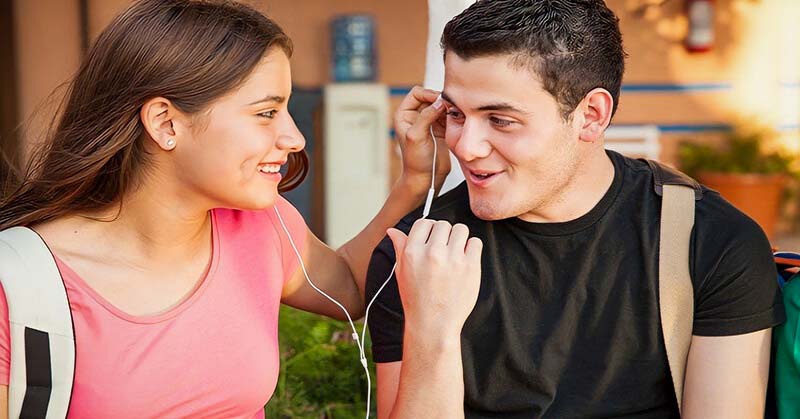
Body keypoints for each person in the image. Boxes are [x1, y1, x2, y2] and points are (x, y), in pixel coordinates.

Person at [0, 0, 479, 417]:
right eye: (267, 112)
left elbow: (351, 289)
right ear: (166, 122)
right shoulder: (19, 282)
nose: (294, 138)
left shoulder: (261, 227)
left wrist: (416, 179)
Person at [366, 0, 785, 418]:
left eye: (500, 119)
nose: (465, 146)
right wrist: (432, 330)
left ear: (590, 115)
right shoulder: (419, 256)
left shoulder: (711, 242)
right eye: (456, 113)